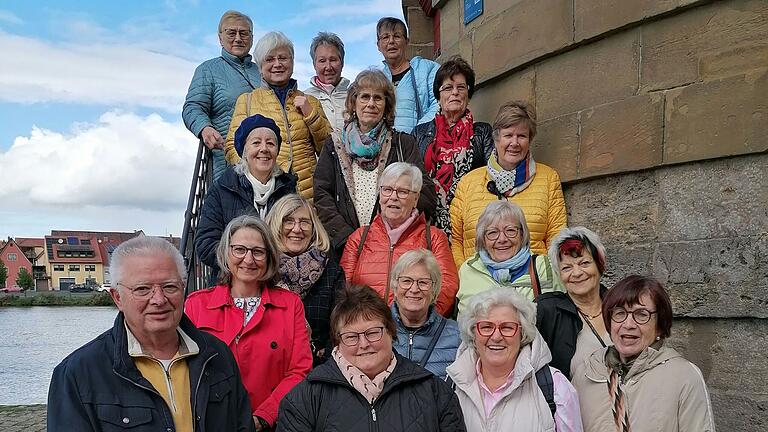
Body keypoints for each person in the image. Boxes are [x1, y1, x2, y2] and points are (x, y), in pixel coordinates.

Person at [48, 237, 255, 432]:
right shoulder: (77, 374)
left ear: (183, 289)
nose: (159, 299)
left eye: (169, 287)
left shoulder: (217, 355)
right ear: (117, 297)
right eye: (143, 289)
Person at [276, 284, 466, 431]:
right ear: (337, 342)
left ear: (391, 332)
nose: (364, 344)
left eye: (373, 333)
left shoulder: (434, 392)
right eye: (351, 337)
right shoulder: (304, 398)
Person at [186, 215, 313, 431]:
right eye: (239, 250)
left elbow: (300, 370)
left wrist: (263, 417)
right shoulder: (197, 305)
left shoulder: (290, 305)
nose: (248, 259)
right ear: (227, 252)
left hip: (272, 423)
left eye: (258, 251)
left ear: (269, 257)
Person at [313, 69, 437, 254]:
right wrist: (350, 239)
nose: (371, 104)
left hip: (393, 246)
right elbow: (322, 195)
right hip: (345, 248)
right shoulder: (335, 144)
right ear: (353, 103)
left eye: (378, 98)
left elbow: (424, 192)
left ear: (386, 106)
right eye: (364, 97)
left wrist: (392, 230)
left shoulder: (403, 143)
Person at [572, 276, 716, 432]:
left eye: (641, 314)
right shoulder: (586, 374)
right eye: (620, 313)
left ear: (660, 325)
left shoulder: (684, 377)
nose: (628, 324)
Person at [446, 288, 583, 432]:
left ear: (522, 333)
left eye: (507, 328)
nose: (496, 337)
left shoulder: (555, 386)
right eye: (486, 327)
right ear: (473, 333)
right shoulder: (453, 384)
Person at [450, 100, 567, 265]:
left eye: (521, 136)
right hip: (478, 283)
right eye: (508, 135)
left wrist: (544, 279)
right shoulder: (468, 182)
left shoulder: (548, 179)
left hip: (530, 282)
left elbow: (556, 235)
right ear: (496, 139)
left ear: (530, 140)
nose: (514, 143)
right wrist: (467, 278)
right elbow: (456, 239)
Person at [340, 162, 458, 316]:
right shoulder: (359, 237)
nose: (393, 197)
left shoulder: (434, 237)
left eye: (402, 191)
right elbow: (342, 291)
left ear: (415, 198)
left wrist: (422, 321)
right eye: (387, 190)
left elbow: (447, 287)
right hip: (367, 330)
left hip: (416, 330)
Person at [225, 31, 331, 199]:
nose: (277, 64)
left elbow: (328, 149)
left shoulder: (311, 101)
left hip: (307, 195)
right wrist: (253, 177)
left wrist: (311, 115)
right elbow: (232, 146)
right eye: (269, 59)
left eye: (283, 58)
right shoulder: (247, 101)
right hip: (264, 194)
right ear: (260, 67)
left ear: (292, 62)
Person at [196, 114, 297, 274]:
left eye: (270, 143)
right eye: (256, 143)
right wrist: (245, 263)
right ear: (244, 151)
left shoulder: (288, 190)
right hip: (233, 281)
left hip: (278, 277)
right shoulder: (222, 189)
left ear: (277, 151)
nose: (264, 148)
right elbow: (205, 243)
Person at [412, 56, 494, 237]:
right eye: (448, 88)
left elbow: (492, 179)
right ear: (438, 95)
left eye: (461, 87)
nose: (455, 92)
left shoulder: (482, 133)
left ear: (468, 94)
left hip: (471, 224)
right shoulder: (419, 134)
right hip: (428, 225)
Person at [266, 194, 345, 366]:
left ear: (313, 227)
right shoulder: (263, 270)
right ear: (275, 225)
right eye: (288, 221)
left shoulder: (331, 270)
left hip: (318, 368)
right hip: (270, 366)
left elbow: (341, 327)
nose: (297, 229)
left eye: (304, 222)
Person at [183, 10, 261, 182]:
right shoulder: (208, 69)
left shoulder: (262, 71)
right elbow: (192, 107)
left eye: (244, 33)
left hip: (264, 160)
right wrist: (205, 128)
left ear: (252, 38)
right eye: (231, 33)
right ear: (220, 37)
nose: (238, 38)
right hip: (225, 163)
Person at [456, 200, 565, 313]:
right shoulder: (468, 270)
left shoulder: (547, 267)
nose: (502, 239)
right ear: (483, 239)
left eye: (510, 230)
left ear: (522, 235)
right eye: (492, 233)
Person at [536, 227, 610, 379]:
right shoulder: (547, 310)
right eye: (567, 268)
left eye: (584, 263)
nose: (576, 273)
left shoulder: (620, 305)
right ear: (559, 274)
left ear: (600, 264)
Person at [390, 250, 460, 379]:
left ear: (434, 290)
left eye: (423, 282)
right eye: (406, 281)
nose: (414, 289)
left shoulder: (457, 335)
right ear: (394, 287)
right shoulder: (376, 331)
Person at [377, 17, 440, 133]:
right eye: (385, 37)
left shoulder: (428, 69)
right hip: (384, 148)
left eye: (397, 36)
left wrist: (416, 134)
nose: (391, 41)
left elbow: (439, 104)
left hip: (417, 146)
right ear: (378, 45)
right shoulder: (376, 80)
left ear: (407, 41)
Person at [303, 32, 349, 133]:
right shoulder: (304, 98)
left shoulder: (356, 98)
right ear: (314, 65)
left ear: (342, 63)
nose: (328, 67)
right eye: (322, 61)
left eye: (333, 60)